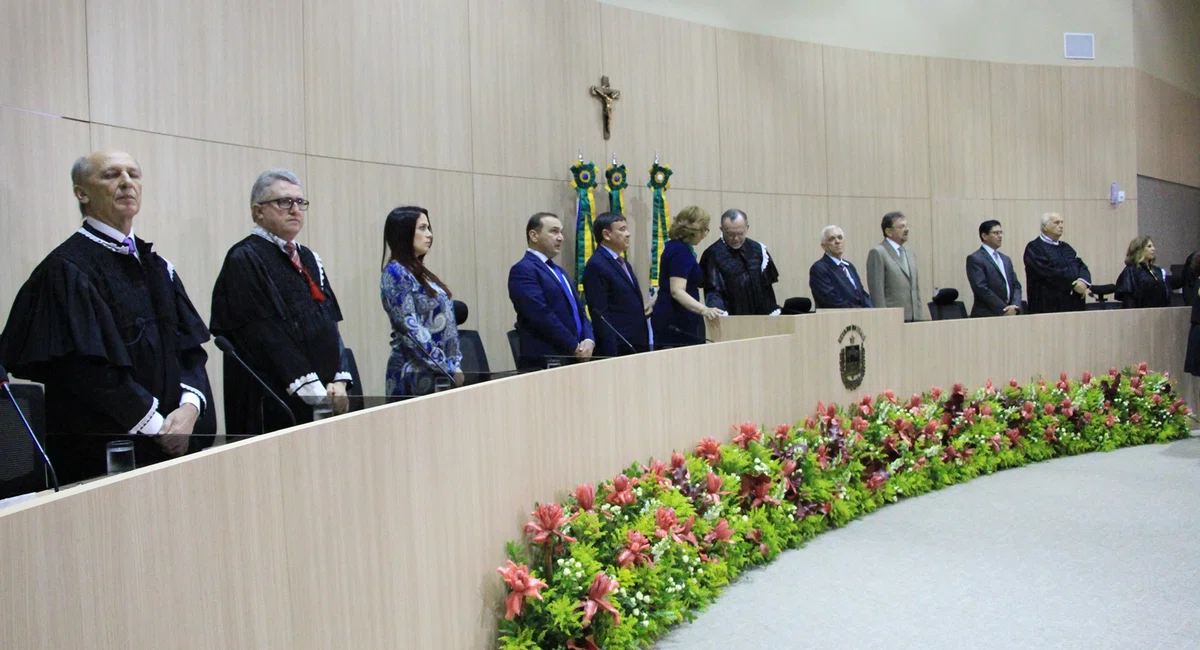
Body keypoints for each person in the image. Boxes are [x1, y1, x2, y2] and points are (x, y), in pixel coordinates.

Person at [0, 150, 214, 483]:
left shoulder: (159, 268)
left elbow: (190, 351)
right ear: (81, 193)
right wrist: (157, 426)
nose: (127, 183)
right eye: (111, 175)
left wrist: (188, 410)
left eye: (134, 174)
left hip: (173, 446)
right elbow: (84, 371)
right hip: (101, 457)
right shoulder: (67, 269)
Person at [209, 169, 354, 436]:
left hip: (324, 398)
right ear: (258, 212)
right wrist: (315, 394)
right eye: (284, 202)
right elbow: (265, 336)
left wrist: (339, 380)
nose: (295, 210)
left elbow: (330, 323)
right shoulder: (244, 258)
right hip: (274, 402)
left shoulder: (309, 257)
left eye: (300, 203)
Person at [380, 206, 463, 396]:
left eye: (429, 228)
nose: (430, 235)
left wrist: (454, 363)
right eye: (422, 228)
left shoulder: (418, 271)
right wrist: (446, 366)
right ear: (403, 233)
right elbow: (411, 328)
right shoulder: (396, 272)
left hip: (439, 373)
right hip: (414, 374)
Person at [507, 212, 594, 370]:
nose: (560, 237)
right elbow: (540, 315)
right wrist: (574, 346)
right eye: (554, 231)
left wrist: (589, 339)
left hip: (574, 358)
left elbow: (579, 310)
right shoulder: (523, 270)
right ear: (533, 235)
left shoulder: (559, 271)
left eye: (561, 232)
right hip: (547, 360)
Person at [651, 206, 724, 347]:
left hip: (673, 316)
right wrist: (705, 310)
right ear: (696, 231)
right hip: (676, 320)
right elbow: (676, 290)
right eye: (705, 230)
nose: (705, 235)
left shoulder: (674, 247)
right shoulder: (680, 252)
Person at [582, 212, 650, 356]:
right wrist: (611, 353)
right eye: (622, 229)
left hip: (636, 344)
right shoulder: (596, 265)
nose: (628, 234)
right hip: (619, 348)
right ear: (606, 235)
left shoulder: (622, 262)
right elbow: (601, 315)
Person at [699, 209, 781, 315]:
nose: (736, 239)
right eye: (730, 234)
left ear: (747, 228)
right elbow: (713, 292)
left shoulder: (758, 249)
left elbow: (767, 289)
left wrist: (772, 310)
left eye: (740, 233)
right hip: (731, 318)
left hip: (761, 317)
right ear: (722, 229)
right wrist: (720, 313)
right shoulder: (712, 254)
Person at [1023, 212, 1091, 314]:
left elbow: (1081, 265)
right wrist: (1074, 284)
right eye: (1056, 223)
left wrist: (1083, 281)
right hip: (1047, 305)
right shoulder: (1034, 248)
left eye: (1062, 222)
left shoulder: (1066, 247)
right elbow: (1048, 273)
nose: (1061, 226)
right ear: (1045, 227)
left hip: (1073, 303)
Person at [866, 211, 924, 322]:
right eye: (902, 226)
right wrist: (883, 318)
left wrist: (919, 315)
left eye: (907, 226)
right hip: (892, 319)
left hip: (914, 319)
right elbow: (877, 292)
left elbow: (915, 289)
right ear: (888, 231)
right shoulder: (878, 252)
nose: (907, 229)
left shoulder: (909, 252)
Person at [966, 220, 1023, 317]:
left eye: (1001, 233)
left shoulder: (1005, 259)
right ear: (984, 236)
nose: (1000, 236)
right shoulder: (975, 258)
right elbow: (981, 288)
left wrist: (1014, 306)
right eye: (996, 233)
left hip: (1011, 313)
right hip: (987, 315)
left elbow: (1016, 285)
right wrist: (1004, 309)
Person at [809, 225, 872, 309]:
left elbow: (861, 293)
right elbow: (829, 299)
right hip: (839, 317)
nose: (837, 241)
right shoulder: (819, 268)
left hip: (860, 315)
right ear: (823, 246)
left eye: (840, 237)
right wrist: (856, 310)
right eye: (832, 239)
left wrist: (870, 309)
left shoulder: (849, 266)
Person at [1115, 236, 1171, 309]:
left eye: (1153, 246)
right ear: (1139, 249)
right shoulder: (1130, 271)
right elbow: (1129, 300)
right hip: (1140, 314)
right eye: (1149, 246)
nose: (1153, 249)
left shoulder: (1158, 271)